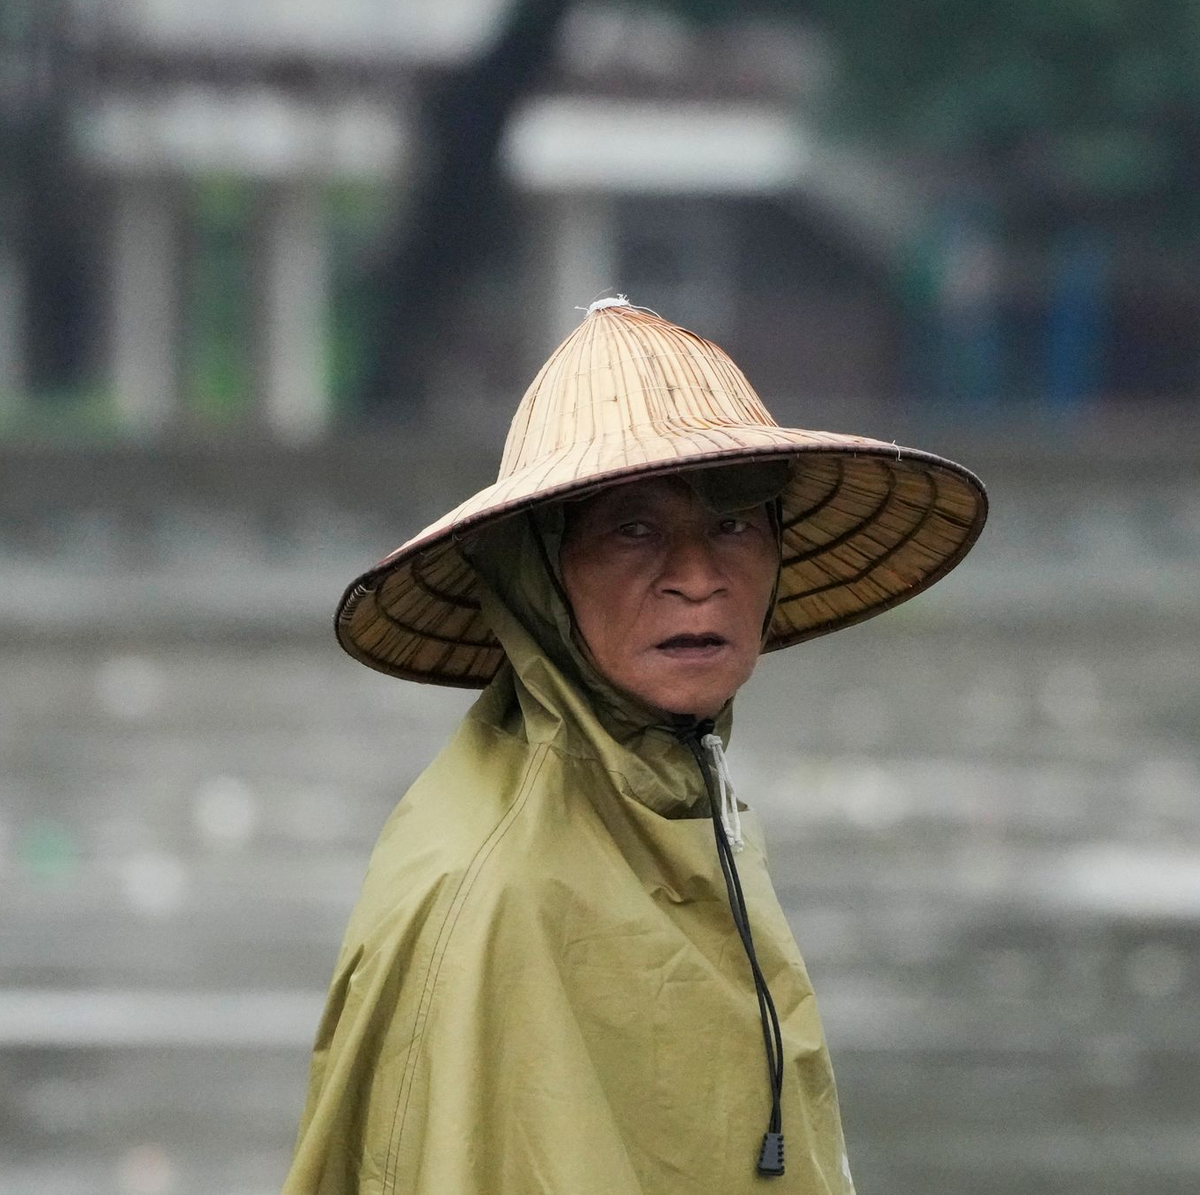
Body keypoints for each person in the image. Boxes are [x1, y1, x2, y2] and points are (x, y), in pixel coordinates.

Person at [283, 297, 987, 1194]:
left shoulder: (683, 795)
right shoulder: (501, 889)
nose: (697, 579)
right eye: (632, 529)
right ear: (539, 572)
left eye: (733, 525)